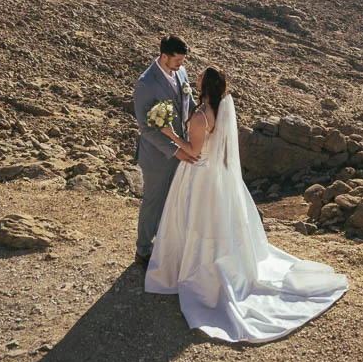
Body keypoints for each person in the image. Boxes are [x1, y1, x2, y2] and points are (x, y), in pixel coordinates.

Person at [145, 66, 348, 342]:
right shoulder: (218, 110)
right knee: (210, 224)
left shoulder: (201, 116)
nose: (196, 79)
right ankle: (211, 263)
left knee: (191, 221)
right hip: (213, 177)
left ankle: (191, 269)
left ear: (206, 86)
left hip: (196, 175)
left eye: (201, 78)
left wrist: (168, 133)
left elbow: (192, 151)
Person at [133, 34, 197, 268]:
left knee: (176, 199)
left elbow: (187, 103)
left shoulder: (181, 73)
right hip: (157, 157)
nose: (181, 65)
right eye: (177, 60)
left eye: (182, 61)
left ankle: (167, 245)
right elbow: (146, 129)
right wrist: (175, 150)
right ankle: (143, 249)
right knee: (154, 201)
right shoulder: (146, 84)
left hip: (182, 147)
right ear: (164, 56)